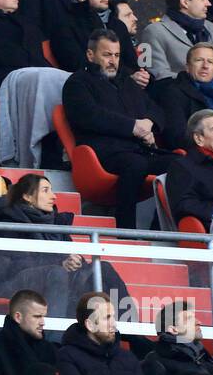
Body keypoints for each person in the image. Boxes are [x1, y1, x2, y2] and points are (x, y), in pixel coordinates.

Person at [60, 28, 175, 229]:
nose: (113, 61)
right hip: (103, 153)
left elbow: (155, 109)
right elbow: (90, 116)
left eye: (117, 55)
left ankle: (160, 229)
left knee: (180, 164)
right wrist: (133, 127)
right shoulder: (77, 83)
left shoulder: (125, 82)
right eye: (107, 55)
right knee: (135, 164)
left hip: (139, 151)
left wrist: (149, 123)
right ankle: (126, 231)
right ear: (90, 55)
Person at [0, 173, 130, 318]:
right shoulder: (12, 224)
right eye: (46, 190)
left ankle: (130, 331)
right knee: (58, 272)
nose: (54, 196)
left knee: (102, 268)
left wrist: (76, 261)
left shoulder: (56, 224)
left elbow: (70, 256)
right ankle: (56, 338)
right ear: (27, 197)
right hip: (19, 283)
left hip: (61, 278)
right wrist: (61, 264)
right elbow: (17, 264)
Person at [57, 291, 154, 375]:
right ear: (90, 325)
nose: (113, 324)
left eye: (113, 317)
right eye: (107, 318)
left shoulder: (127, 357)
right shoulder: (67, 356)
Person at [151, 43, 213, 152]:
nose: (205, 66)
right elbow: (176, 138)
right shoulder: (173, 94)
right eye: (199, 60)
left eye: (210, 62)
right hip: (204, 159)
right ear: (187, 67)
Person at [48, 0, 141, 77]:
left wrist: (139, 76)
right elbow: (76, 65)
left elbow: (132, 63)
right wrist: (127, 76)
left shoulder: (117, 25)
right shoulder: (64, 25)